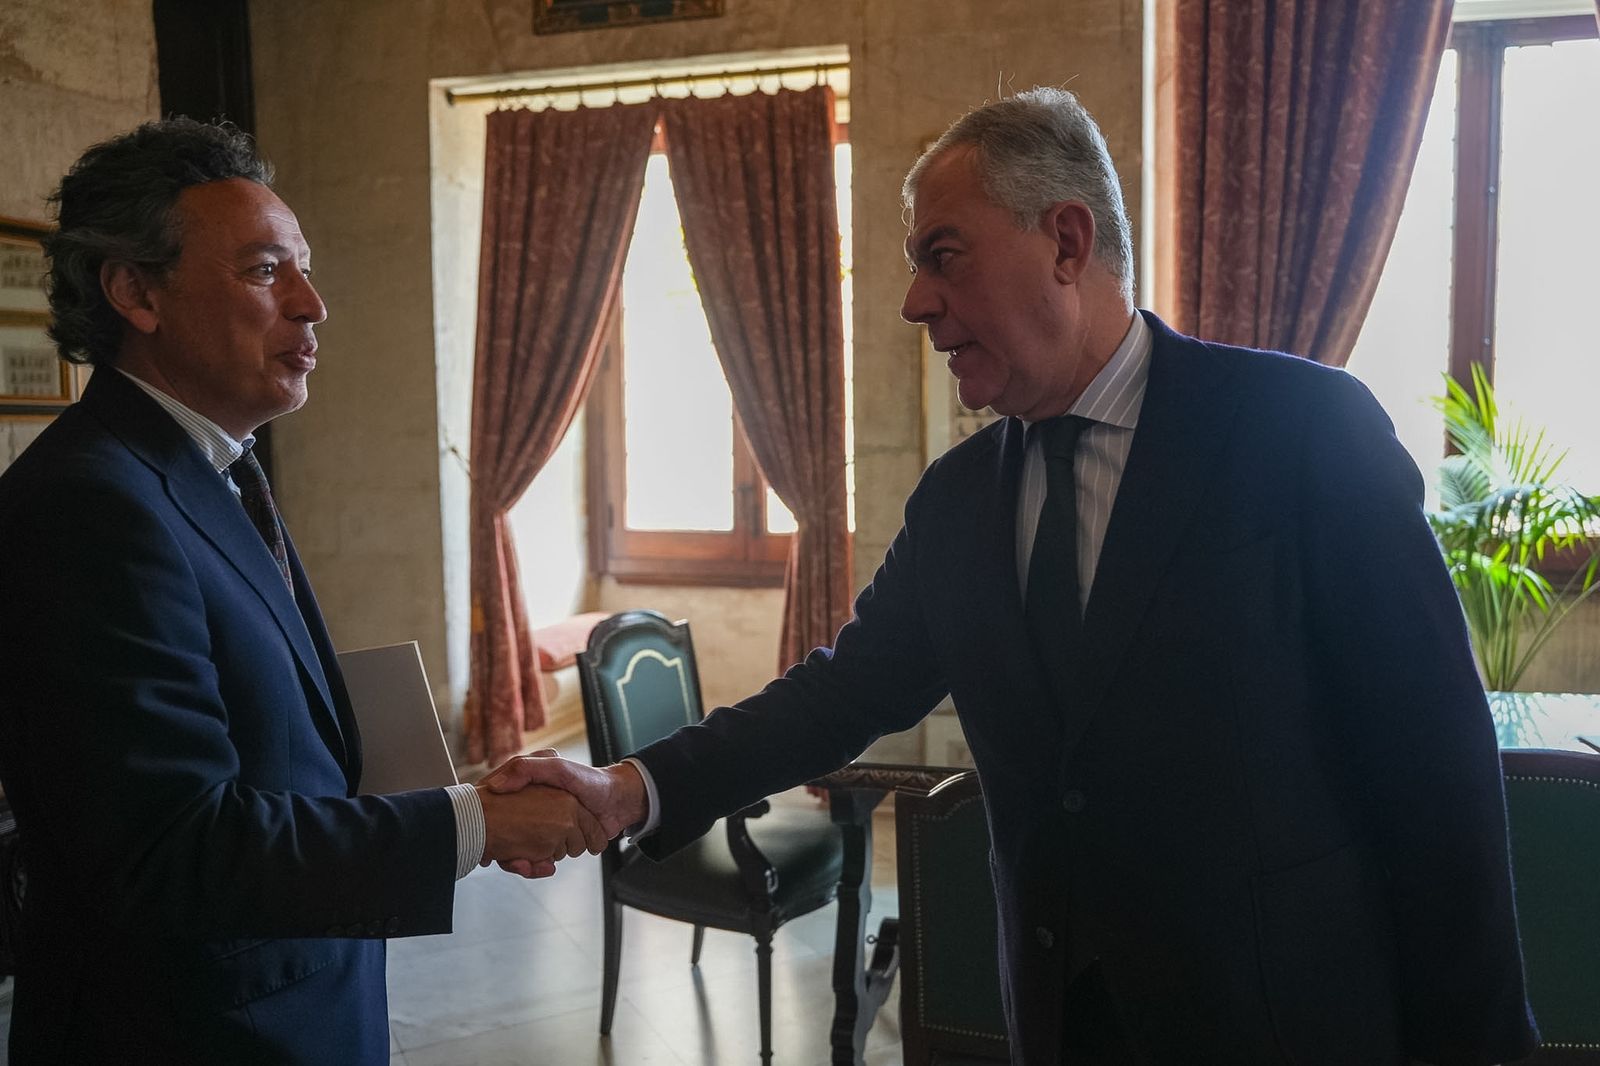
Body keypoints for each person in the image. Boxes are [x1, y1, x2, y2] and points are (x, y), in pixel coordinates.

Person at [491, 88, 1539, 1065]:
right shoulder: (958, 504)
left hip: (1284, 1021)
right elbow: (840, 693)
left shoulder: (1302, 431)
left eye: (944, 257)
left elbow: (1434, 772)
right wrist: (628, 786)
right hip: (1061, 1018)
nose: (914, 302)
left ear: (1067, 243)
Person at [0, 118, 605, 1064]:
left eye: (305, 268)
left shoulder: (211, 467)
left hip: (296, 999)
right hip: (193, 1031)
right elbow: (173, 846)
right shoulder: (88, 504)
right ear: (136, 292)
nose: (314, 304)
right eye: (264, 271)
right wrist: (472, 824)